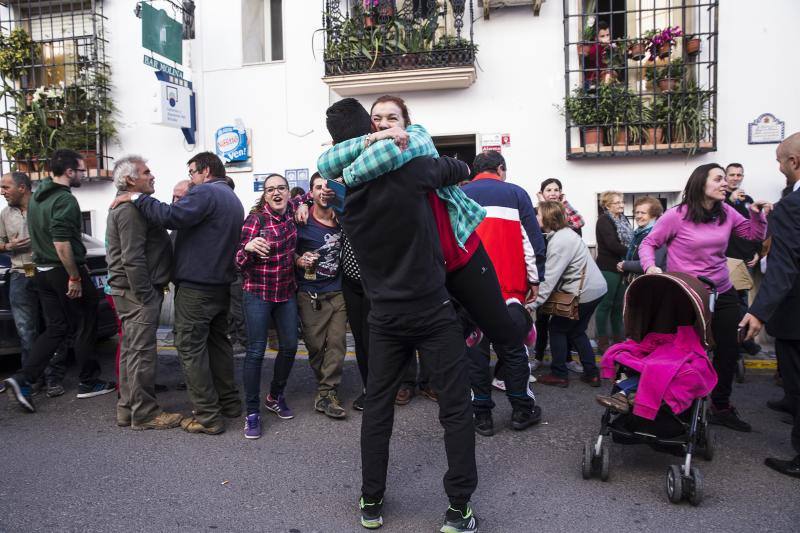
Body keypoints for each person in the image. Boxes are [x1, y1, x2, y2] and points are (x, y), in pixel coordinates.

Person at [324, 98, 479, 532]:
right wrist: (415, 145)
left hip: (384, 318)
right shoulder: (413, 173)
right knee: (454, 409)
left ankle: (370, 502)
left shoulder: (345, 197)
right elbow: (457, 167)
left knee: (377, 411)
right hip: (431, 310)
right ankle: (458, 509)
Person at [112, 152, 244, 435]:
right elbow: (131, 256)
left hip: (197, 288)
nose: (191, 181)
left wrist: (138, 198)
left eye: (193, 172)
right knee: (217, 344)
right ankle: (229, 403)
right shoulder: (231, 197)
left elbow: (172, 216)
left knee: (189, 348)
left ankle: (208, 416)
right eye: (147, 172)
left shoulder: (207, 192)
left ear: (206, 171)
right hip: (219, 285)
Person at [639, 163, 768, 432]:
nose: (725, 183)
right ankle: (681, 406)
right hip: (687, 294)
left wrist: (757, 216)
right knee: (687, 351)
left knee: (729, 348)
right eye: (718, 179)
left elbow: (753, 235)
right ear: (701, 183)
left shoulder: (727, 213)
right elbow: (649, 243)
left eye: (725, 179)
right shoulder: (677, 215)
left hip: (721, 290)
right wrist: (650, 267)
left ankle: (720, 405)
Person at [4, 150, 115, 412]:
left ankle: (23, 378)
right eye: (80, 169)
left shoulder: (38, 197)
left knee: (56, 327)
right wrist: (75, 276)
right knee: (87, 322)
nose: (82, 174)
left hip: (42, 271)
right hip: (63, 271)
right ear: (68, 172)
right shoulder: (64, 200)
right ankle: (88, 382)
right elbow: (62, 242)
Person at [461, 150, 545, 436]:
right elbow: (532, 243)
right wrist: (535, 279)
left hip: (470, 287)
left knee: (475, 349)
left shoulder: (460, 194)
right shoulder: (517, 194)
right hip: (509, 289)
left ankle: (481, 414)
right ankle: (522, 409)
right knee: (512, 349)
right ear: (500, 169)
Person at [105, 156, 182, 430]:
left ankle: (127, 410)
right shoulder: (129, 210)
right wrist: (145, 295)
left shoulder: (129, 205)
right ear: (130, 179)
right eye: (146, 172)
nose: (152, 176)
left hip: (130, 292)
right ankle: (146, 414)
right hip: (137, 294)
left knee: (131, 352)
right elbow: (132, 257)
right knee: (142, 354)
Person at [739, 132, 800, 478]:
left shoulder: (791, 207)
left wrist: (759, 311)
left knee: (797, 380)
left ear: (794, 162)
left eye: (780, 160)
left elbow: (783, 265)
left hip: (795, 312)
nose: (778, 167)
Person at [235, 173, 302, 439]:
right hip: (258, 293)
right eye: (270, 189)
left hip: (286, 293)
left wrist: (306, 203)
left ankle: (274, 396)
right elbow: (238, 262)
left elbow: (311, 195)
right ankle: (252, 413)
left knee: (289, 346)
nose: (276, 193)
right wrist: (248, 247)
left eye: (281, 188)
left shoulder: (293, 209)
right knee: (255, 351)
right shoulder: (256, 220)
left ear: (288, 193)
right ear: (264, 195)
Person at [533, 201, 608, 388]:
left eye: (539, 214)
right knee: (576, 331)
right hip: (595, 289)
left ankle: (559, 374)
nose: (536, 217)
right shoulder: (564, 235)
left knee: (557, 328)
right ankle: (592, 374)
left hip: (585, 292)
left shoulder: (560, 240)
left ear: (549, 217)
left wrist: (531, 305)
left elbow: (550, 277)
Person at [295, 172, 348, 419]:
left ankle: (328, 391)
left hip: (337, 291)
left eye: (326, 188)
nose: (322, 192)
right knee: (315, 347)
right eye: (317, 187)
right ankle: (324, 385)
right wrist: (299, 259)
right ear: (311, 192)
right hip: (309, 293)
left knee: (337, 344)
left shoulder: (343, 217)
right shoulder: (301, 220)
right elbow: (288, 251)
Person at [533, 178, 585, 372]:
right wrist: (541, 205)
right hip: (544, 272)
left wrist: (563, 205)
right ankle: (538, 356)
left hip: (564, 274)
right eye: (549, 189)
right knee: (542, 319)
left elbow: (579, 224)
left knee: (566, 317)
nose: (553, 192)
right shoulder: (536, 212)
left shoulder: (565, 214)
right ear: (542, 193)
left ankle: (567, 359)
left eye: (557, 190)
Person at [724, 163, 763, 356]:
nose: (736, 178)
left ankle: (742, 342)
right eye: (732, 174)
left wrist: (757, 252)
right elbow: (725, 223)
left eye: (739, 175)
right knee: (733, 304)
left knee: (743, 304)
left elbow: (754, 227)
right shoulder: (721, 198)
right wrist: (731, 201)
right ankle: (742, 345)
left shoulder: (747, 199)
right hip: (729, 259)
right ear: (725, 176)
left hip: (746, 259)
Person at [595, 190, 631, 354]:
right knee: (605, 305)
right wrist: (633, 252)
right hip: (608, 268)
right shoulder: (604, 220)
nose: (621, 205)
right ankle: (602, 341)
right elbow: (611, 244)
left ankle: (619, 340)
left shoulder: (622, 219)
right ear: (607, 205)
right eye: (617, 202)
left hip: (623, 267)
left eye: (621, 202)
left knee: (618, 306)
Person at [616, 196, 666, 280]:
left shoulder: (658, 233)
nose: (638, 216)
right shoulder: (640, 232)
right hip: (638, 281)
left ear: (653, 215)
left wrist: (625, 265)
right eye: (637, 212)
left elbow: (654, 265)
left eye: (643, 213)